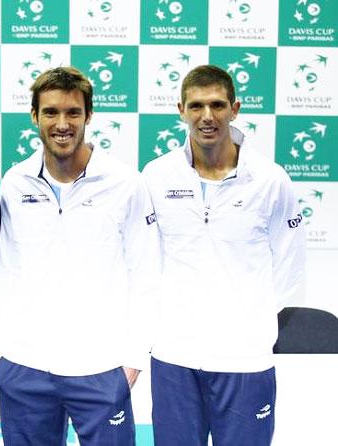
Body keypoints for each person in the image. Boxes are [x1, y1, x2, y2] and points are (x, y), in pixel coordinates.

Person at [0, 66, 160, 445]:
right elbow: (4, 272)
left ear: (88, 116)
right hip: (24, 367)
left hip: (100, 367)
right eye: (50, 112)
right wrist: (3, 353)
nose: (62, 124)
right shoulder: (16, 182)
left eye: (72, 113)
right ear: (34, 116)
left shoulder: (125, 183)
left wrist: (132, 361)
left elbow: (147, 273)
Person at [142, 64, 306, 446]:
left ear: (235, 108)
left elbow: (289, 266)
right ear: (180, 110)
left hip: (244, 359)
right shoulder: (156, 176)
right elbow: (146, 259)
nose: (207, 116)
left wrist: (246, 319)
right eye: (196, 106)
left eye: (217, 105)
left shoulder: (270, 180)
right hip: (174, 356)